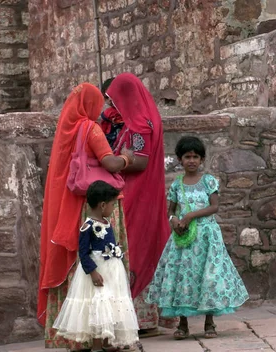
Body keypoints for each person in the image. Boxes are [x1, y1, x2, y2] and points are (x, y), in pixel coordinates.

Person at [38, 83, 135, 350]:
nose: (101, 108)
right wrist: (125, 158)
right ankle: (104, 333)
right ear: (90, 104)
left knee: (78, 269)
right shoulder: (90, 128)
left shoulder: (67, 130)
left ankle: (73, 334)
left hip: (76, 204)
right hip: (96, 202)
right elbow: (109, 162)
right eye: (98, 102)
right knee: (103, 264)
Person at [146, 136, 249, 340]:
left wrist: (191, 215)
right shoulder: (177, 185)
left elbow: (214, 206)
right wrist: (174, 221)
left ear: (201, 159)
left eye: (195, 157)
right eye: (187, 157)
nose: (191, 160)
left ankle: (209, 322)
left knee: (208, 277)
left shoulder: (208, 181)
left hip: (206, 237)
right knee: (184, 278)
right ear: (180, 159)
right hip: (184, 240)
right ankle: (183, 324)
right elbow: (171, 211)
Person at [105, 73, 171, 334]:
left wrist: (114, 161)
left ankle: (138, 319)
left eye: (114, 98)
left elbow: (140, 161)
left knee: (133, 249)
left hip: (137, 194)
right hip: (140, 192)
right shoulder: (141, 121)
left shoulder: (139, 125)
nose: (111, 104)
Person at [53, 181, 139, 351]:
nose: (114, 207)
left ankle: (108, 341)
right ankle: (97, 345)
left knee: (110, 303)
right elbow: (83, 253)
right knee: (98, 303)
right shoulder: (88, 226)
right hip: (97, 270)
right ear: (102, 205)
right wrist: (92, 272)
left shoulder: (107, 222)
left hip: (111, 271)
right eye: (113, 204)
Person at [99, 77, 124, 148]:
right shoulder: (108, 113)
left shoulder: (128, 111)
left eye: (111, 95)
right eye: (106, 98)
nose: (110, 100)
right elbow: (103, 131)